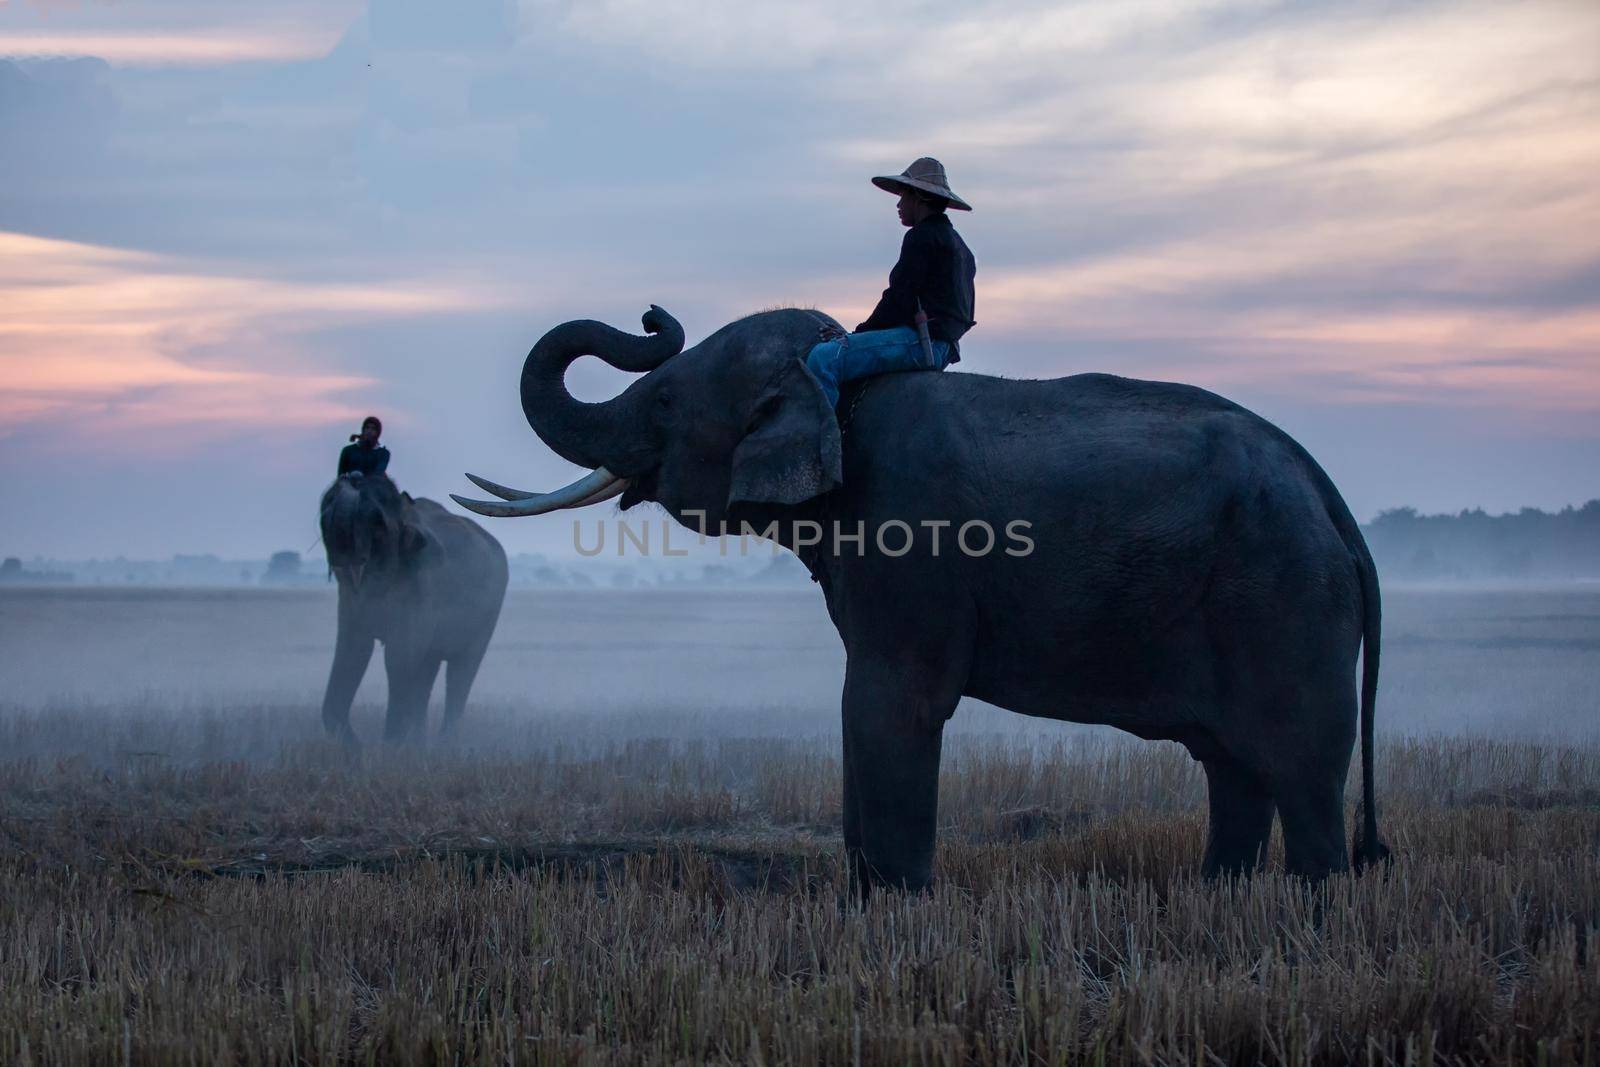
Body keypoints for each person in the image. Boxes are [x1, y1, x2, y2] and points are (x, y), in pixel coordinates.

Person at [804, 157, 977, 409]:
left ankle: (823, 444)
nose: (898, 203)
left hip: (922, 344)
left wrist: (857, 334)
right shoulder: (961, 247)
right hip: (946, 347)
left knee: (825, 358)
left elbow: (898, 299)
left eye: (904, 195)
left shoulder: (921, 237)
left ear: (919, 198)